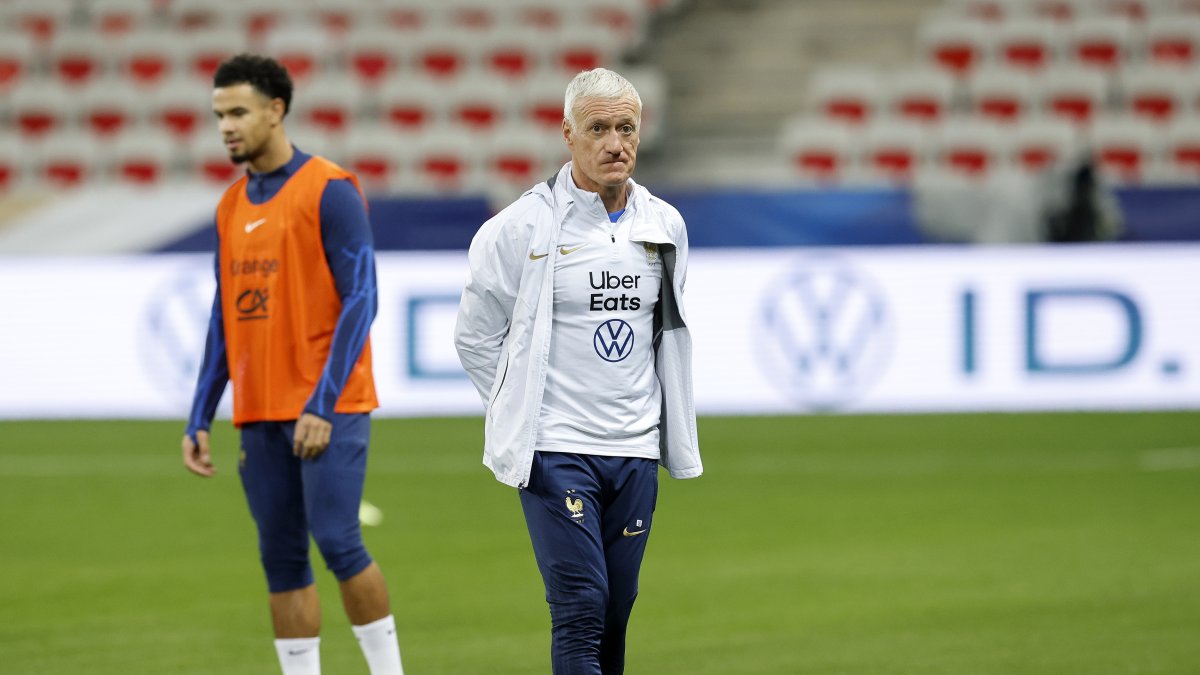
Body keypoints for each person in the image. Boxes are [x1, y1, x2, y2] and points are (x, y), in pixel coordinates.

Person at [453, 67, 703, 674]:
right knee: (581, 607)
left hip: (635, 448)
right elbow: (475, 336)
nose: (615, 143)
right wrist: (524, 409)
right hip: (556, 448)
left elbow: (662, 331)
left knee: (617, 608)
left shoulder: (664, 225)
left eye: (626, 128)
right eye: (598, 128)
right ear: (568, 134)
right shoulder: (519, 228)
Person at [179, 53, 404, 675]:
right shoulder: (229, 206)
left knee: (338, 541)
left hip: (328, 407)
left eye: (238, 112)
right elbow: (224, 317)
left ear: (276, 111)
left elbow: (363, 298)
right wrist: (200, 414)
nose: (226, 125)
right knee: (280, 557)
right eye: (219, 114)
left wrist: (321, 403)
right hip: (258, 411)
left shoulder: (330, 189)